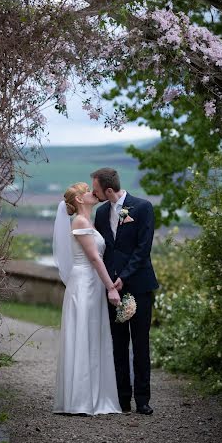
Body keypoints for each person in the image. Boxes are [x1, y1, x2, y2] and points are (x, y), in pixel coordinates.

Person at [91, 168, 159, 415]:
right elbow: (104, 251)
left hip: (139, 286)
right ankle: (122, 399)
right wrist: (110, 282)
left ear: (108, 190)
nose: (93, 193)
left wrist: (123, 278)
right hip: (112, 291)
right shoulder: (100, 213)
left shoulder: (142, 208)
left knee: (141, 344)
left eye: (95, 190)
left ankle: (143, 399)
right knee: (118, 344)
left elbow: (143, 249)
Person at [53, 182, 122, 415]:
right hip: (84, 284)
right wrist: (111, 287)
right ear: (80, 200)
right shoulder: (80, 222)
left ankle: (91, 396)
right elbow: (94, 258)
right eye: (88, 191)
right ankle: (80, 400)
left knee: (92, 334)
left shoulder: (88, 221)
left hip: (91, 284)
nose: (94, 193)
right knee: (83, 333)